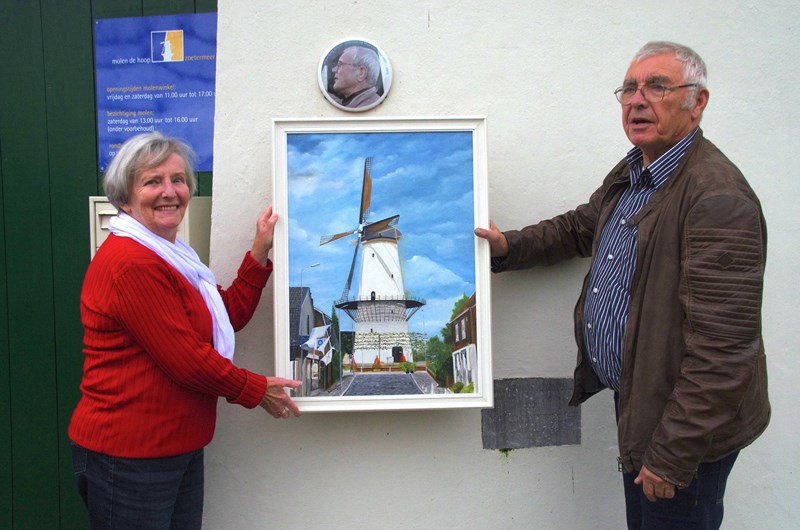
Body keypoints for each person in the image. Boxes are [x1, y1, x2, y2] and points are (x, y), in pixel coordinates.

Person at [475, 41, 769, 529]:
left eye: (657, 86)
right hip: (645, 398)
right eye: (629, 88)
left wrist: (672, 454)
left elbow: (724, 352)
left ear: (697, 102)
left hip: (685, 430)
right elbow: (583, 227)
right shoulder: (637, 171)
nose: (637, 99)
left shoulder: (717, 198)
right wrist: (508, 247)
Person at [68, 132, 302, 529]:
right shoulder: (133, 264)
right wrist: (254, 389)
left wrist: (258, 252)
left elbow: (221, 320)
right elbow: (187, 361)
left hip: (173, 446)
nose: (169, 191)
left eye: (178, 180)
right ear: (125, 196)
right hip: (129, 455)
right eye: (152, 181)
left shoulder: (173, 256)